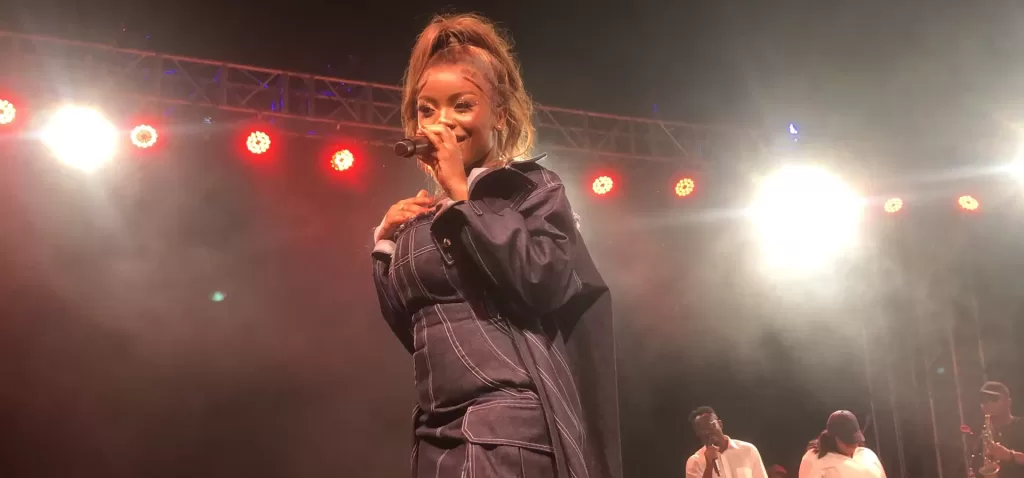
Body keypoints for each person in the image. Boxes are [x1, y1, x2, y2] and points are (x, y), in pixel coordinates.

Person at [370, 13, 621, 478]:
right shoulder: (426, 214)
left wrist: (463, 199)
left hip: (505, 429)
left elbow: (543, 281)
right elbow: (415, 329)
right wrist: (385, 245)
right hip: (434, 430)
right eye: (427, 110)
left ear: (499, 115)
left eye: (462, 105)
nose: (442, 123)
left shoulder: (528, 189)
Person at [685, 406, 768, 478]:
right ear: (697, 433)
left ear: (720, 424)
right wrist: (709, 466)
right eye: (702, 429)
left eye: (711, 425)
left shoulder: (748, 450)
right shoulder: (695, 462)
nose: (707, 432)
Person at [798, 411, 885, 478]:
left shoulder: (868, 455)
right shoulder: (815, 459)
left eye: (855, 440)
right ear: (834, 438)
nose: (853, 445)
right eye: (848, 442)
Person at [977, 381, 1024, 478]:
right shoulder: (983, 437)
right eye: (983, 400)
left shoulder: (1021, 425)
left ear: (1008, 402)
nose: (987, 403)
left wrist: (1009, 455)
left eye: (993, 398)